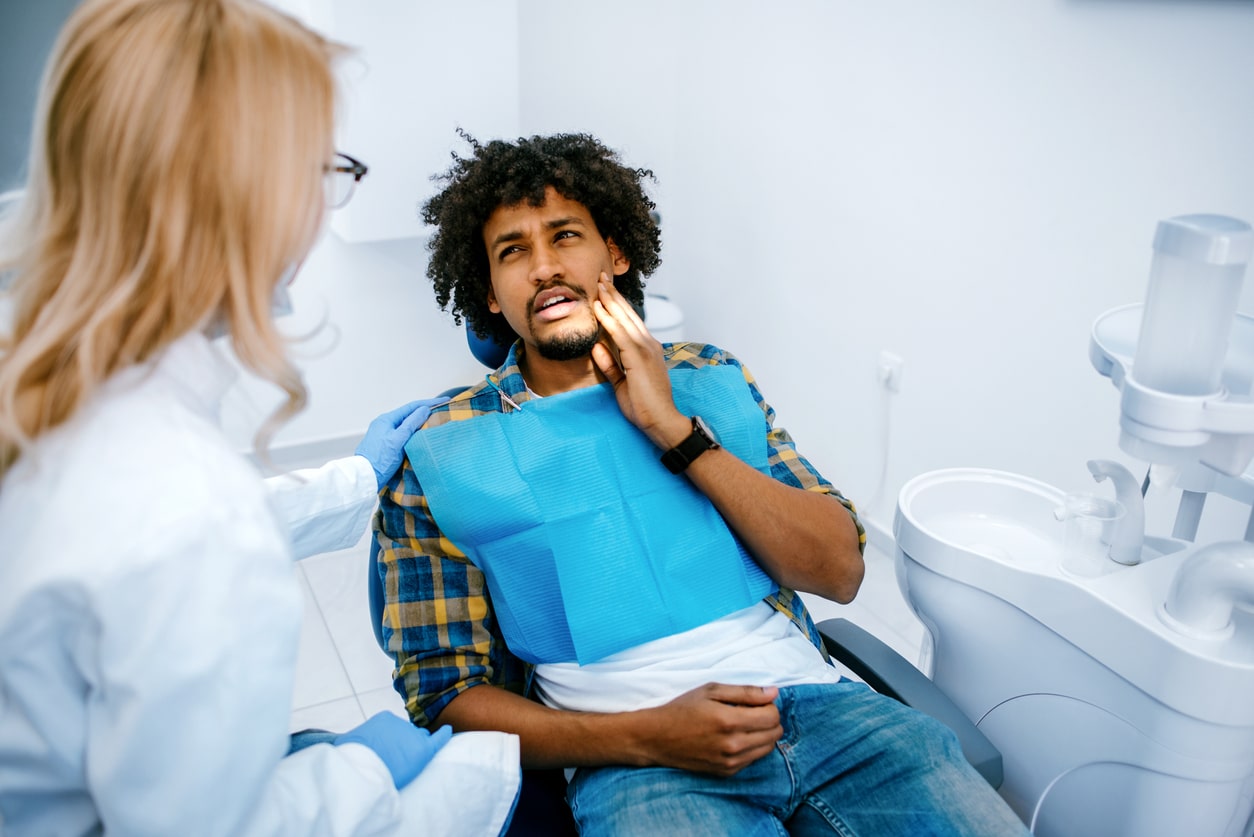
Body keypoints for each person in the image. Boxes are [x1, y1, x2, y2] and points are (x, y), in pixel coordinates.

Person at [374, 132, 1031, 835]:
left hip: (830, 715)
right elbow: (447, 694)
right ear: (490, 294)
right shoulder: (443, 452)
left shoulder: (710, 377)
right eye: (513, 251)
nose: (543, 268)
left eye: (565, 236)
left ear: (615, 254)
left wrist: (675, 430)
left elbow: (838, 569)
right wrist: (647, 734)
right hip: (638, 762)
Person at [0, 2, 519, 834]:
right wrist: (377, 777)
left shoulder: (44, 382)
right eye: (324, 170)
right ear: (251, 195)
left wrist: (354, 476)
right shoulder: (186, 502)